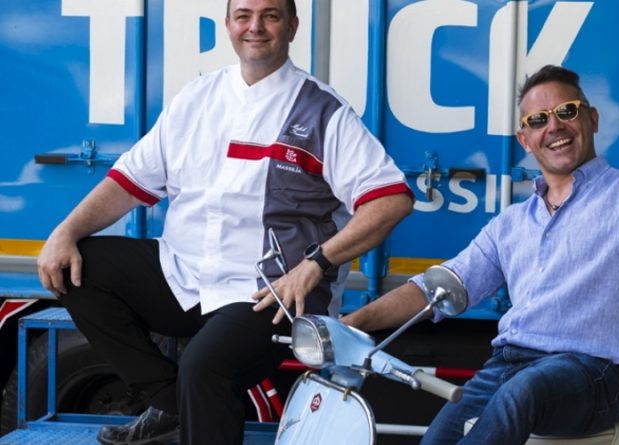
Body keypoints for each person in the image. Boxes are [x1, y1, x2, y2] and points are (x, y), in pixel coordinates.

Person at [35, 0, 413, 444]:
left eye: (271, 16)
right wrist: (64, 233)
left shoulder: (323, 112)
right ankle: (171, 402)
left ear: (293, 26)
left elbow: (392, 200)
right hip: (184, 277)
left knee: (205, 367)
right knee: (77, 266)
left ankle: (186, 401)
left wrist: (316, 263)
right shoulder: (197, 97)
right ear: (228, 25)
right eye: (244, 15)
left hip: (271, 293)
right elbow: (129, 181)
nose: (256, 27)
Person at [341, 61, 619, 445]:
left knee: (524, 390)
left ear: (593, 119)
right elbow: (437, 289)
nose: (554, 127)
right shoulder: (511, 223)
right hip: (507, 367)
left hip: (594, 374)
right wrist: (351, 324)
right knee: (443, 433)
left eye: (567, 111)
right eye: (537, 120)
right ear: (525, 140)